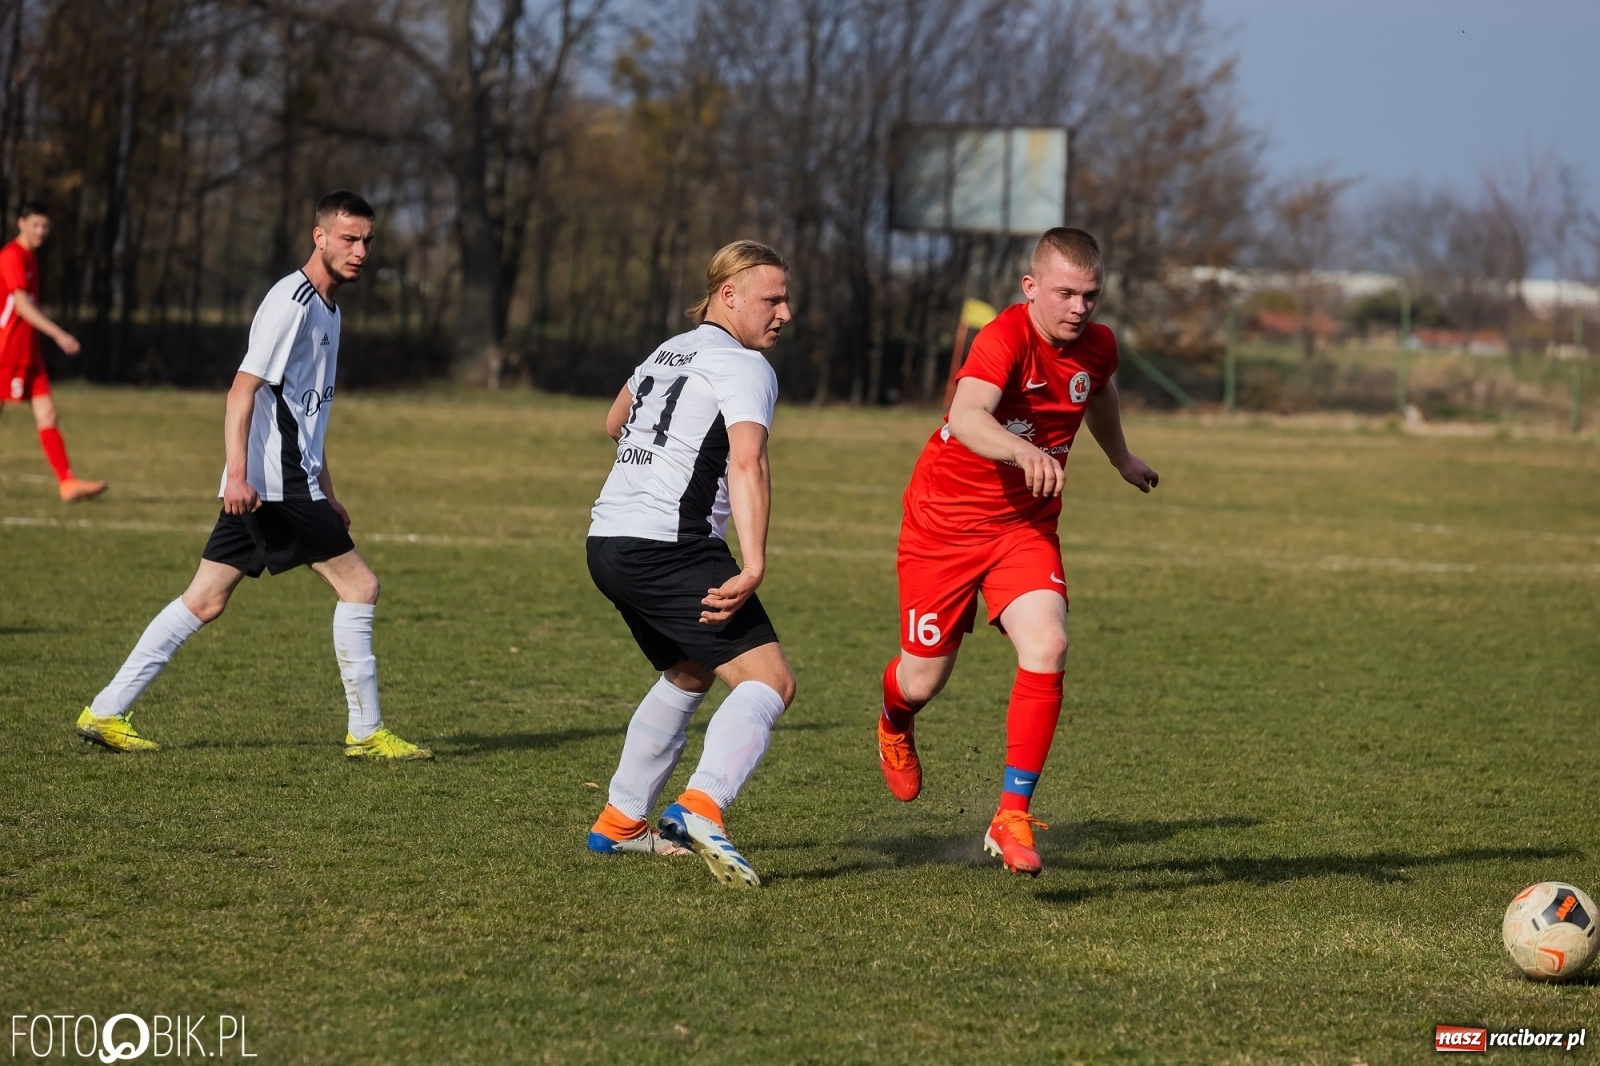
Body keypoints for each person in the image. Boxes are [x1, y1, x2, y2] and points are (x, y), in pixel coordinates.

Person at [75, 191, 430, 761]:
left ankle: (106, 710)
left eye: (367, 240)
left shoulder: (330, 308)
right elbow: (243, 390)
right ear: (318, 237)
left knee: (205, 599)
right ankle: (366, 733)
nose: (360, 250)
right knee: (360, 587)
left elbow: (303, 412)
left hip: (286, 481)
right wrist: (238, 476)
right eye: (348, 238)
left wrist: (329, 493)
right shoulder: (291, 302)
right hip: (274, 483)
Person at [876, 227, 1158, 877]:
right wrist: (1024, 448)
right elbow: (969, 414)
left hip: (1023, 529)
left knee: (1049, 645)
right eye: (1065, 293)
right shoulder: (1003, 337)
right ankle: (894, 719)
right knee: (922, 680)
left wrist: (1120, 457)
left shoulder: (1098, 346)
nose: (1079, 308)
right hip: (943, 527)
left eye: (1091, 295)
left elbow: (1101, 389)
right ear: (1031, 287)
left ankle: (1010, 815)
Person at [584, 239, 798, 889]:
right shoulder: (744, 365)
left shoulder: (665, 351)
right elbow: (747, 461)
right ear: (728, 295)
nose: (786, 313)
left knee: (690, 668)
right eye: (774, 298)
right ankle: (701, 806)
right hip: (670, 546)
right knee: (769, 683)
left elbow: (615, 419)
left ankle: (621, 820)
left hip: (608, 541)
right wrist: (754, 561)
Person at [0, 201, 106, 502]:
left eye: (45, 226)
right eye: (35, 225)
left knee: (48, 413)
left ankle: (67, 483)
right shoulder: (11, 256)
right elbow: (20, 306)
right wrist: (58, 333)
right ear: (21, 223)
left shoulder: (31, 258)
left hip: (28, 351)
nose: (41, 231)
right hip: (6, 351)